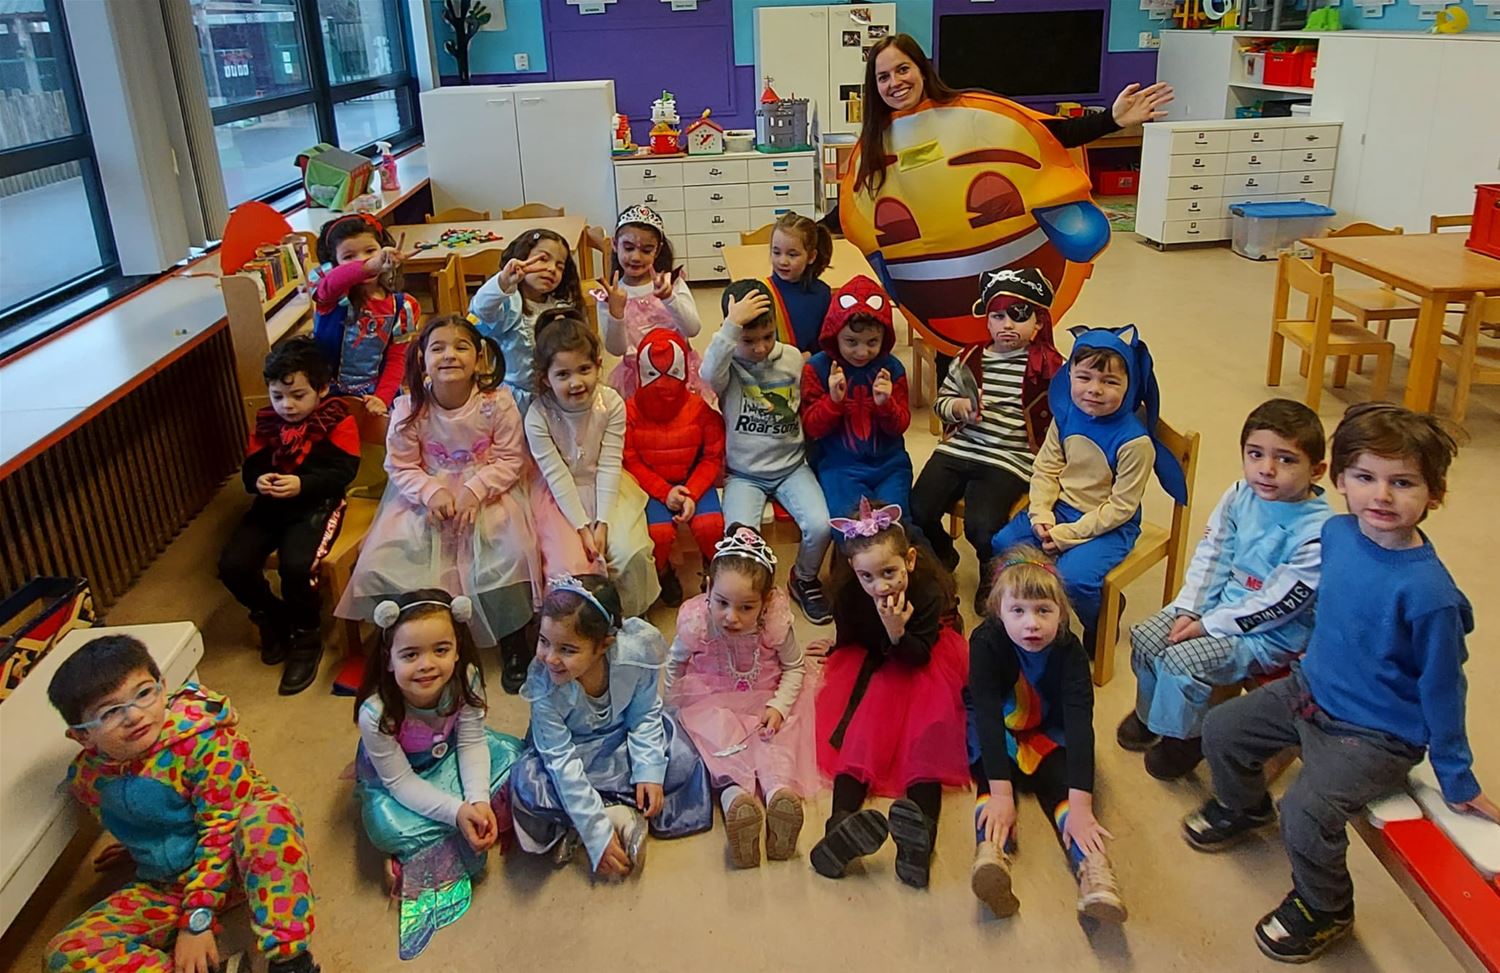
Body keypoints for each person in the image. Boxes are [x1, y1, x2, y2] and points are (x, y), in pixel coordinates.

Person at [1183, 403, 1497, 964]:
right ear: (1340, 480)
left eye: (1403, 483)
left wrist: (1457, 777)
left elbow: (1445, 688)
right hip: (1311, 689)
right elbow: (1332, 605)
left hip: (1377, 733)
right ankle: (1244, 807)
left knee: (1305, 811)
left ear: (1435, 494)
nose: (1381, 495)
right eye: (1365, 476)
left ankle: (1326, 907)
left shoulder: (1430, 596)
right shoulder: (1336, 532)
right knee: (1223, 728)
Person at [45, 636, 319, 973]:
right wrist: (145, 847)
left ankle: (290, 962)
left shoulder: (204, 740)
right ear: (82, 736)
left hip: (239, 860)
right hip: (168, 884)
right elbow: (144, 810)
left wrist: (197, 919)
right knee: (65, 955)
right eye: (110, 712)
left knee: (270, 818)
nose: (134, 715)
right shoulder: (87, 777)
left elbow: (223, 827)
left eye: (144, 693)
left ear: (163, 687)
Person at [1120, 399, 1333, 780]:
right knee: (1148, 638)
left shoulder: (1318, 532)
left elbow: (1278, 604)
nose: (1266, 469)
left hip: (1267, 633)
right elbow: (1213, 554)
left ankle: (1186, 737)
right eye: (1255, 454)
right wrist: (1191, 608)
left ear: (1316, 471)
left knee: (1181, 661)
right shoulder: (1239, 494)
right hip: (1219, 605)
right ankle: (1151, 716)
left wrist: (1207, 625)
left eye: (1286, 460)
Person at [335, 315, 539, 695]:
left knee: (509, 554)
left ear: (479, 358)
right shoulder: (409, 407)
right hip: (424, 497)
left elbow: (511, 458)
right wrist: (432, 492)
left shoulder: (498, 402)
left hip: (488, 492)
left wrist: (474, 490)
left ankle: (512, 639)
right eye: (438, 348)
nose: (450, 355)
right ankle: (412, 641)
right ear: (422, 359)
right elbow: (400, 464)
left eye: (461, 347)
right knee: (386, 558)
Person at [991, 324, 1187, 647]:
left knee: (1074, 579)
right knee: (1004, 544)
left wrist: (1068, 534)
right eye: (1084, 377)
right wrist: (1041, 513)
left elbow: (1121, 508)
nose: (1094, 389)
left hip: (1110, 525)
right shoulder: (1066, 415)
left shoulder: (1135, 443)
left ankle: (1101, 623)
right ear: (1069, 375)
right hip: (1060, 509)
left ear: (1130, 384)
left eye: (1110, 381)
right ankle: (1032, 611)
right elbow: (1046, 468)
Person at [808, 500, 969, 889]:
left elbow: (918, 657)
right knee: (860, 734)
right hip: (875, 658)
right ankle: (838, 827)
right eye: (867, 576)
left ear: (909, 561)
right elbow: (851, 632)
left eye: (889, 573)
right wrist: (838, 647)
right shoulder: (850, 594)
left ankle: (920, 840)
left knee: (924, 739)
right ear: (853, 569)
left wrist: (896, 629)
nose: (879, 586)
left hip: (921, 659)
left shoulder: (927, 591)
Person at [353, 592, 522, 960]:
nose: (427, 665)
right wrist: (458, 812)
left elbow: (472, 742)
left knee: (516, 761)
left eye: (440, 650)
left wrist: (477, 800)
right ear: (388, 659)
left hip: (452, 758)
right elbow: (400, 783)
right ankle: (419, 849)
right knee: (387, 827)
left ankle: (442, 840)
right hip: (400, 782)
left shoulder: (466, 678)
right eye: (410, 655)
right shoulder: (376, 712)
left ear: (457, 649)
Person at [509, 575, 713, 877]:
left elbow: (644, 716)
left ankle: (605, 813)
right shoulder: (544, 685)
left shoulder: (634, 658)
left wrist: (648, 771)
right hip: (572, 754)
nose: (550, 659)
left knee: (682, 757)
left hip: (620, 741)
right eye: (544, 642)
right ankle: (612, 815)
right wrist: (595, 833)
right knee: (528, 784)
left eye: (567, 649)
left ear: (604, 644)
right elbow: (560, 760)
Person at [968, 548, 1126, 923]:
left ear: (1062, 613)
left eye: (1043, 610)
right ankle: (991, 853)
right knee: (992, 783)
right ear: (998, 611)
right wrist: (1002, 794)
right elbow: (987, 715)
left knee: (1063, 785)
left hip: (1048, 728)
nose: (1032, 624)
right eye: (1018, 611)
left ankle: (1093, 870)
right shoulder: (985, 642)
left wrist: (1082, 807)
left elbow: (1079, 724)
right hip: (1001, 725)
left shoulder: (1070, 651)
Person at [664, 525, 819, 869]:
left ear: (765, 603)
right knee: (721, 746)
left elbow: (794, 667)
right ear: (708, 589)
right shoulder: (696, 622)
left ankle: (779, 796)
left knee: (775, 742)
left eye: (746, 607)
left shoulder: (774, 622)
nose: (731, 617)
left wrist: (779, 706)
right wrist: (672, 709)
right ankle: (737, 804)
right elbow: (676, 664)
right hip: (710, 699)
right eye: (721, 603)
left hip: (766, 698)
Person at [910, 267, 1063, 612]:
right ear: (987, 321)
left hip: (1009, 458)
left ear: (1038, 323)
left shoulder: (1048, 365)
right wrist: (958, 408)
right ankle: (942, 553)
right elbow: (941, 403)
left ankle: (990, 574)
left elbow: (1065, 418)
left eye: (1019, 315)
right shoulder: (969, 358)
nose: (1007, 324)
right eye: (998, 316)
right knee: (918, 508)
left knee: (983, 527)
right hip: (959, 448)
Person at [217, 336, 359, 696]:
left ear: (322, 389)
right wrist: (258, 480)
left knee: (297, 567)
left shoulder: (336, 419)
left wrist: (302, 484)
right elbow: (251, 470)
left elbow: (343, 472)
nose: (287, 405)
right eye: (278, 396)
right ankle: (271, 615)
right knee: (232, 565)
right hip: (271, 506)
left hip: (318, 505)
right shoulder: (267, 422)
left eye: (297, 395)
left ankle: (306, 635)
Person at [703, 279, 834, 624]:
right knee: (740, 541)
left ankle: (803, 579)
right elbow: (707, 372)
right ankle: (750, 596)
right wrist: (731, 328)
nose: (760, 348)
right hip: (744, 474)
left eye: (767, 336)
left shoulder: (791, 358)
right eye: (748, 340)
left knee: (821, 525)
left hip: (792, 467)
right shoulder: (726, 364)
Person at [526, 310, 660, 618]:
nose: (576, 382)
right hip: (559, 497)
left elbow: (610, 463)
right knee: (570, 565)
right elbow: (556, 474)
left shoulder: (610, 403)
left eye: (584, 369)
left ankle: (626, 618)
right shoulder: (538, 415)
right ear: (545, 378)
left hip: (606, 488)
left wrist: (602, 522)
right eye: (563, 375)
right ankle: (580, 627)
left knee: (630, 552)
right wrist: (583, 528)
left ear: (598, 365)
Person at [622, 328, 726, 607]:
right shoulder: (629, 413)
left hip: (693, 481)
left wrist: (691, 492)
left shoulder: (700, 409)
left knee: (711, 526)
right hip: (652, 488)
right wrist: (663, 492)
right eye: (655, 375)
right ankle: (664, 572)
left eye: (671, 374)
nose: (663, 386)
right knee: (657, 535)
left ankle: (713, 568)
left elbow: (712, 456)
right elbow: (630, 460)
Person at [801, 274, 913, 518]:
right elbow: (811, 428)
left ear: (885, 338)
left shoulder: (892, 368)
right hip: (839, 467)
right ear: (834, 334)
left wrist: (886, 405)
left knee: (897, 524)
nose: (862, 352)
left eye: (872, 342)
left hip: (890, 466)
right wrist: (833, 401)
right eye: (851, 342)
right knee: (851, 527)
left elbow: (900, 426)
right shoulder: (817, 368)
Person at [309, 213, 420, 414]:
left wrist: (382, 398)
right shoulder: (332, 296)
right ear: (334, 263)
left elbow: (398, 358)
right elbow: (333, 281)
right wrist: (372, 265)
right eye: (348, 256)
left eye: (370, 251)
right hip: (325, 394)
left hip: (376, 396)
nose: (361, 259)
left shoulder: (403, 306)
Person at [469, 227, 584, 413]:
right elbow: (482, 308)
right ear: (522, 256)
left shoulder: (559, 306)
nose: (551, 269)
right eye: (543, 259)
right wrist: (504, 281)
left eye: (559, 266)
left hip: (557, 396)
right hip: (515, 403)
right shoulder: (510, 304)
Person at [595, 205, 704, 399]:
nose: (636, 257)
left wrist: (669, 298)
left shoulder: (672, 282)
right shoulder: (610, 295)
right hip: (638, 380)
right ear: (615, 244)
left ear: (658, 250)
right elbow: (616, 350)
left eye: (646, 250)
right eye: (628, 248)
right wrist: (616, 313)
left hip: (679, 373)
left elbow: (692, 329)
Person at [763, 211, 833, 355]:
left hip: (808, 366)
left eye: (792, 254)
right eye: (776, 252)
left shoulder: (822, 294)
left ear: (811, 256)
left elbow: (825, 344)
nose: (783, 261)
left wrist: (811, 358)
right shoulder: (762, 293)